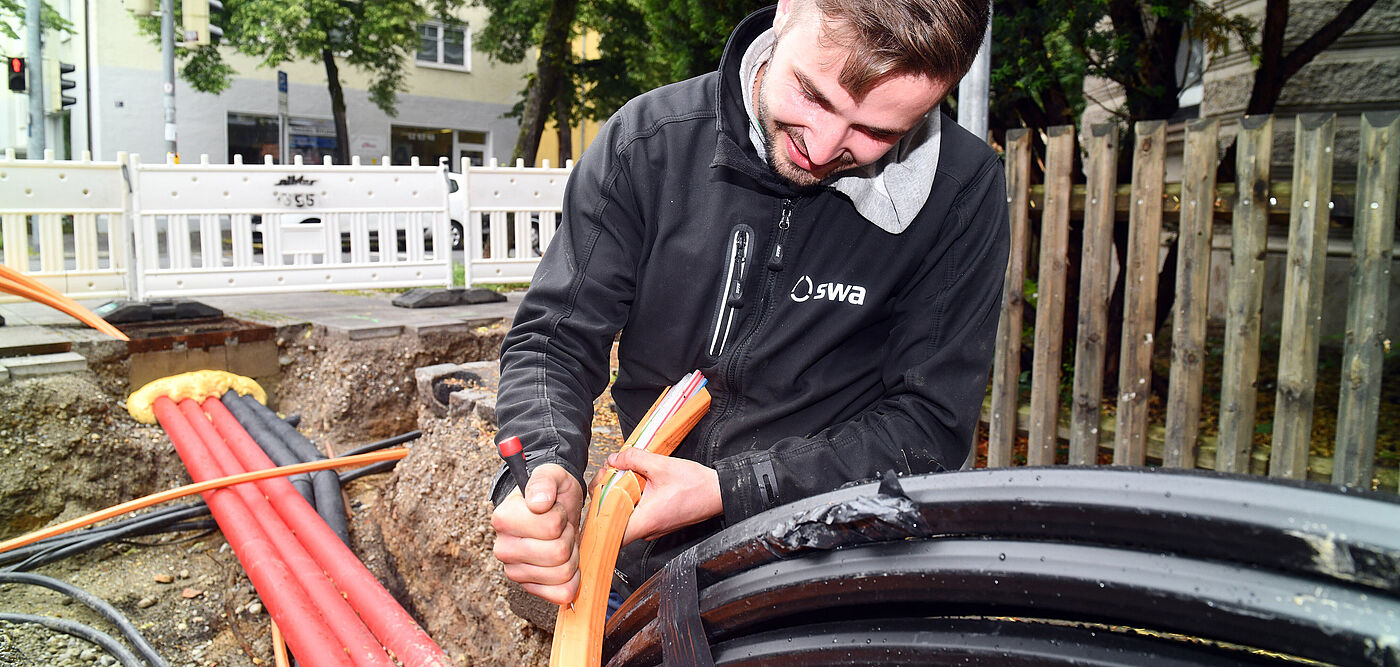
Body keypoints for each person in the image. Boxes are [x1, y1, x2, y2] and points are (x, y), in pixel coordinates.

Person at [490, 0, 1005, 607]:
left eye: (878, 132)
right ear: (788, 10)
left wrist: (732, 489)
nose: (823, 147)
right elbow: (555, 339)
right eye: (813, 95)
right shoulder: (649, 142)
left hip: (842, 559)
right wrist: (544, 466)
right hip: (651, 554)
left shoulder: (961, 190)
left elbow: (928, 425)